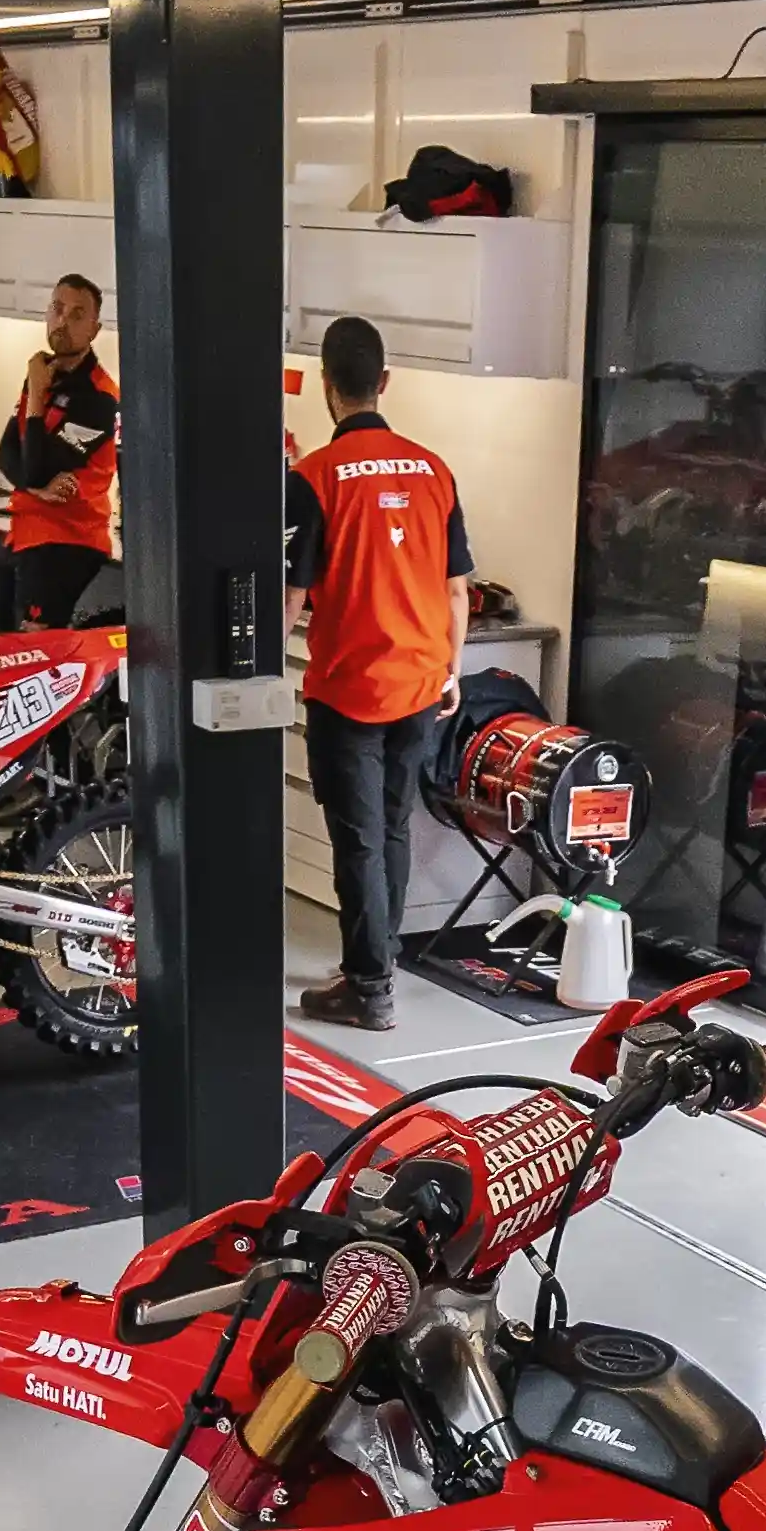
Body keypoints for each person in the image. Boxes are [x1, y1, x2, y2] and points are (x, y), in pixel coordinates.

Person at [282, 311, 471, 1032]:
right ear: (383, 382)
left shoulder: (314, 477)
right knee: (392, 826)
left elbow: (293, 594)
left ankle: (368, 986)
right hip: (421, 680)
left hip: (350, 685)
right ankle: (379, 961)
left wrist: (260, 674)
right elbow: (457, 589)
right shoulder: (434, 469)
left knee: (357, 836)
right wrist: (451, 670)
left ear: (327, 388)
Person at [0, 272, 118, 630]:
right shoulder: (42, 372)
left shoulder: (98, 398)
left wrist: (35, 396)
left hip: (65, 541)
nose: (63, 321)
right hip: (24, 529)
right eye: (58, 309)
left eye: (78, 315)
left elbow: (33, 467)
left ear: (94, 329)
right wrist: (37, 489)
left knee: (32, 655)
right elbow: (6, 454)